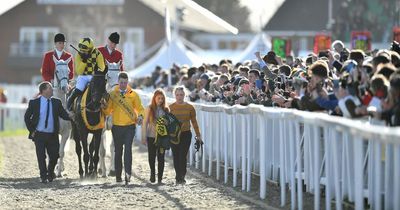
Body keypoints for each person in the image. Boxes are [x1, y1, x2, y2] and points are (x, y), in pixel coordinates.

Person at [24, 81, 72, 183]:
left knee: (55, 156)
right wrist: (32, 130)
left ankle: (50, 173)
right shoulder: (34, 103)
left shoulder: (57, 102)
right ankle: (43, 176)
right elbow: (27, 117)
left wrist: (72, 116)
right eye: (50, 88)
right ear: (43, 91)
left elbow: (63, 114)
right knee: (41, 157)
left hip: (52, 135)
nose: (52, 90)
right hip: (39, 135)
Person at [102, 72, 144, 183]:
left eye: (125, 82)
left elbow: (140, 108)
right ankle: (118, 176)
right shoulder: (112, 94)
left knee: (128, 150)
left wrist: (140, 116)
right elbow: (108, 111)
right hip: (117, 127)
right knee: (118, 151)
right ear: (118, 82)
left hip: (130, 127)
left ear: (128, 82)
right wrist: (104, 106)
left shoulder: (133, 94)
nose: (123, 84)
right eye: (121, 82)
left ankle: (128, 174)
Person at [169, 86, 202, 184]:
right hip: (174, 135)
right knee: (176, 155)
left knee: (183, 155)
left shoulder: (190, 107)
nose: (179, 97)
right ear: (175, 95)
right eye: (177, 95)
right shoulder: (170, 108)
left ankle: (182, 176)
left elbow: (194, 122)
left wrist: (198, 135)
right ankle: (178, 175)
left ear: (185, 95)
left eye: (181, 95)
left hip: (186, 134)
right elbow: (166, 123)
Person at [67, 37, 106, 111]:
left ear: (91, 49)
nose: (82, 52)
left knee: (101, 89)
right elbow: (79, 71)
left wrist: (97, 67)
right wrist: (84, 61)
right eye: (81, 50)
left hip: (94, 76)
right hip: (83, 76)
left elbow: (102, 68)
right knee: (79, 89)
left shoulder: (97, 53)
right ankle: (70, 102)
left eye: (85, 51)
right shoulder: (78, 55)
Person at [141, 89, 169, 184]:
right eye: (158, 98)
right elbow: (144, 123)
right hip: (151, 136)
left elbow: (169, 123)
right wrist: (143, 136)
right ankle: (152, 173)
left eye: (162, 98)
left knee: (161, 157)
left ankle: (160, 178)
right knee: (151, 157)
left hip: (162, 137)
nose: (160, 100)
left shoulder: (166, 110)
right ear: (154, 98)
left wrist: (166, 122)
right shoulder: (149, 108)